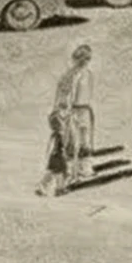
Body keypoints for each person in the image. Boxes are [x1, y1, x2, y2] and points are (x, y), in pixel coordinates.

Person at [37, 45, 96, 197]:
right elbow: (63, 97)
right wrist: (63, 112)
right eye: (81, 58)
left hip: (84, 111)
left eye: (87, 58)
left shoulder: (88, 74)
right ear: (75, 59)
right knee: (69, 145)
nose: (84, 61)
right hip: (72, 112)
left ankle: (83, 169)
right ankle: (64, 178)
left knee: (84, 141)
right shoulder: (70, 75)